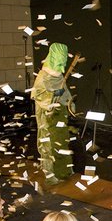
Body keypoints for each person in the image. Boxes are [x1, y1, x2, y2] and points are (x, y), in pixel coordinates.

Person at [31, 42, 75, 186]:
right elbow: (38, 96)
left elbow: (66, 92)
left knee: (61, 141)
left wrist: (70, 104)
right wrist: (52, 96)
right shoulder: (43, 77)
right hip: (46, 115)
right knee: (48, 144)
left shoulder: (59, 76)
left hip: (59, 114)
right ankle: (50, 174)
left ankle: (64, 170)